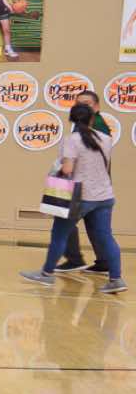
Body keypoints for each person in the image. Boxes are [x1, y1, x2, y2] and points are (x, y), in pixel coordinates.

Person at [23, 97, 125, 293]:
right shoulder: (106, 139)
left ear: (72, 120)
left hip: (79, 197)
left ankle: (46, 274)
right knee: (106, 237)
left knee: (59, 235)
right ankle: (116, 279)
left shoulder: (71, 140)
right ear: (92, 118)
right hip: (104, 196)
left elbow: (68, 169)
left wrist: (59, 166)